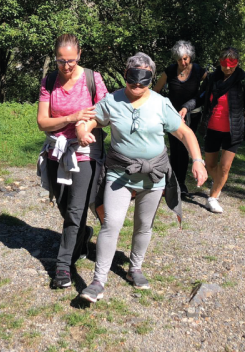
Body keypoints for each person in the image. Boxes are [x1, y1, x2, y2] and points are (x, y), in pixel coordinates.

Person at [77, 52, 207, 303]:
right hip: (121, 172)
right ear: (126, 75)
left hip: (154, 174)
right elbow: (89, 120)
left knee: (143, 224)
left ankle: (134, 269)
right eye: (132, 79)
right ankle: (98, 281)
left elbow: (185, 133)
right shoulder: (111, 100)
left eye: (143, 80)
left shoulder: (160, 103)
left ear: (151, 78)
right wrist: (82, 132)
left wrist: (198, 161)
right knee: (111, 223)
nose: (137, 85)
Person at [37, 34, 108, 289]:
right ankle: (83, 236)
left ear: (79, 55)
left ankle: (63, 267)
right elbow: (42, 122)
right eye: (60, 61)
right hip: (57, 151)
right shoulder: (49, 81)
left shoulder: (92, 78)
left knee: (76, 211)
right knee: (64, 207)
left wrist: (83, 127)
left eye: (70, 60)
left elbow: (104, 112)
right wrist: (72, 117)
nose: (66, 66)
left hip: (86, 153)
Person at [184, 47, 245, 213]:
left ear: (237, 63)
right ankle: (218, 181)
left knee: (224, 167)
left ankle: (213, 196)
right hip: (211, 129)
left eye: (232, 65)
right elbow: (201, 97)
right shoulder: (212, 78)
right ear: (220, 62)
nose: (228, 68)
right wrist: (186, 107)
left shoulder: (243, 80)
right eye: (225, 65)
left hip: (233, 131)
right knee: (210, 165)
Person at [153, 41, 207, 194]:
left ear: (190, 57)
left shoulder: (198, 71)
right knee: (174, 148)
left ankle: (180, 184)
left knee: (184, 147)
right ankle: (171, 182)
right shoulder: (170, 71)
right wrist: (164, 107)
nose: (182, 63)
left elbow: (208, 88)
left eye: (185, 59)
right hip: (172, 115)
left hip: (192, 114)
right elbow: (156, 91)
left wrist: (193, 103)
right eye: (179, 60)